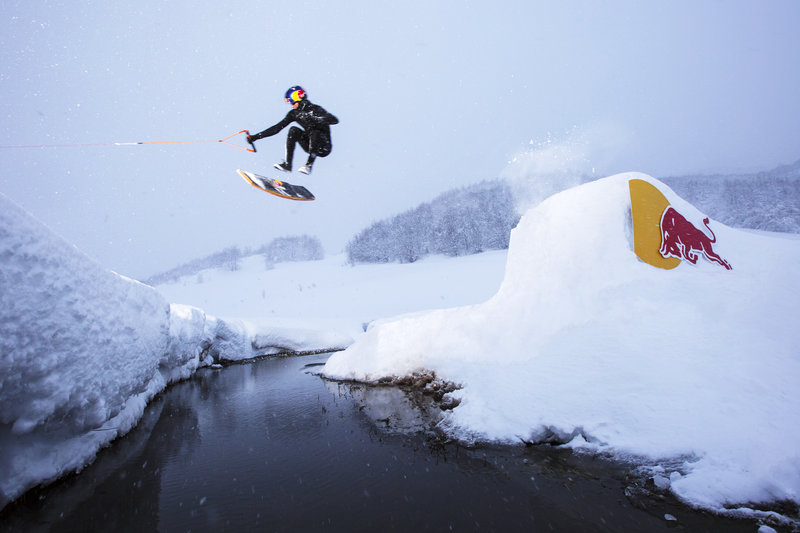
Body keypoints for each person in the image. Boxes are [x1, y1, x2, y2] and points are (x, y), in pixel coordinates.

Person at [247, 86, 339, 175]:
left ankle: (308, 165)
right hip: (309, 144)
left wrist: (315, 118)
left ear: (299, 99)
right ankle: (288, 165)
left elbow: (334, 120)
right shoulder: (294, 114)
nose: (292, 106)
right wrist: (255, 137)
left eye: (293, 103)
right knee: (293, 130)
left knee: (315, 131)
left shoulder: (315, 109)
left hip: (323, 147)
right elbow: (277, 128)